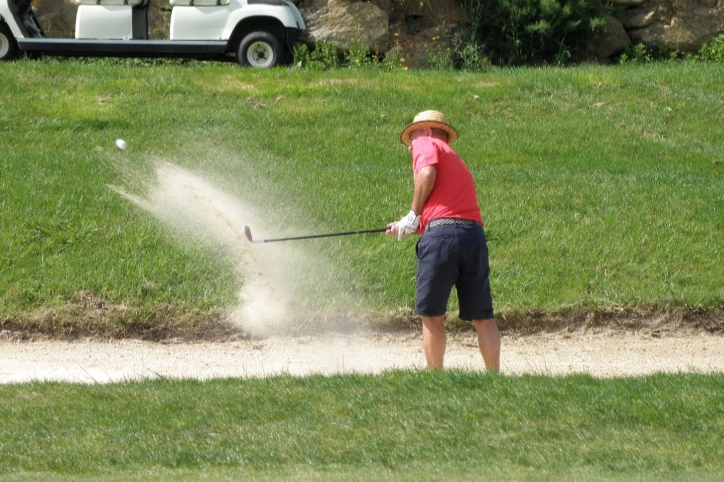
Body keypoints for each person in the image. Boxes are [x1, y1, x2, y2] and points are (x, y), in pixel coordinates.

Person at [386, 110, 501, 372]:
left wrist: (413, 215)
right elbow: (448, 217)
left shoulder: (425, 144)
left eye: (412, 137)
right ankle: (494, 378)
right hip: (473, 237)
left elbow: (427, 174)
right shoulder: (455, 161)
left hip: (442, 240)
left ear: (426, 131)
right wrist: (405, 226)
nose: (410, 146)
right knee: (483, 316)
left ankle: (435, 377)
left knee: (432, 314)